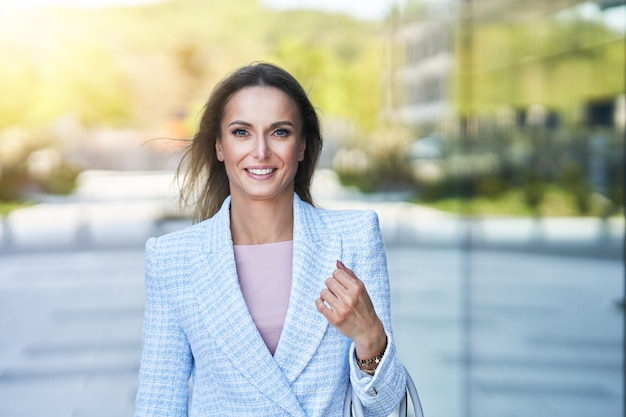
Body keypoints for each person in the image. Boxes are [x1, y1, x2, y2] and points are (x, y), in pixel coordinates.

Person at [135, 62, 407, 417]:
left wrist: (371, 338)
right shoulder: (174, 258)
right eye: (241, 132)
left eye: (279, 132)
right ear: (219, 146)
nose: (261, 151)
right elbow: (159, 403)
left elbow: (386, 408)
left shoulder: (353, 238)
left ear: (302, 147)